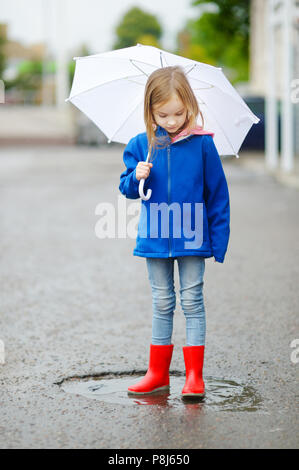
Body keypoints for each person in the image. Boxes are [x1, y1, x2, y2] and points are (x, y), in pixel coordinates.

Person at [119, 66, 230, 398]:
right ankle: (157, 373)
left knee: (192, 300)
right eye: (162, 114)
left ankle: (194, 376)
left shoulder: (202, 146)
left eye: (179, 113)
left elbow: (218, 194)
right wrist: (136, 176)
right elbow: (125, 188)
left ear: (190, 106)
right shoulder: (141, 145)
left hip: (193, 236)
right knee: (162, 301)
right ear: (150, 110)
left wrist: (218, 241)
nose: (171, 120)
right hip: (155, 238)